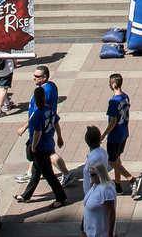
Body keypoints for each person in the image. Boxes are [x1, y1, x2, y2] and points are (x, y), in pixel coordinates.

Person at [13, 66, 69, 207]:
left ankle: (61, 198)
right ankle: (26, 195)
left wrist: (33, 146)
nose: (34, 78)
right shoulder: (49, 109)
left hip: (40, 145)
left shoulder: (38, 114)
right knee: (37, 172)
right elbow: (56, 122)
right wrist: (60, 137)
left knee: (48, 174)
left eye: (37, 76)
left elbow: (37, 132)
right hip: (47, 142)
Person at [79, 125, 117, 237]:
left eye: (92, 174)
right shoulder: (101, 152)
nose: (91, 176)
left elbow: (111, 213)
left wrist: (110, 234)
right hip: (91, 198)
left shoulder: (105, 189)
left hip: (95, 201)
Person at [102, 71, 135, 191]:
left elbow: (113, 121)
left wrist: (104, 134)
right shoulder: (125, 96)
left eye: (110, 83)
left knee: (111, 162)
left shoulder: (113, 101)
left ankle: (131, 178)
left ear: (114, 84)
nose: (109, 85)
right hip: (124, 132)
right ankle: (117, 184)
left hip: (115, 136)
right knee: (117, 158)